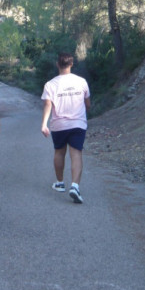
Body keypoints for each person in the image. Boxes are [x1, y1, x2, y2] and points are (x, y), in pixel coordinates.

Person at [41, 52, 90, 204]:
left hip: (59, 124)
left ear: (58, 64)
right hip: (78, 124)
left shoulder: (50, 84)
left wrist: (44, 124)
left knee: (59, 152)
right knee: (76, 154)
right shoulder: (81, 81)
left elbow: (48, 104)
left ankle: (60, 183)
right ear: (71, 64)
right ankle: (75, 186)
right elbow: (87, 103)